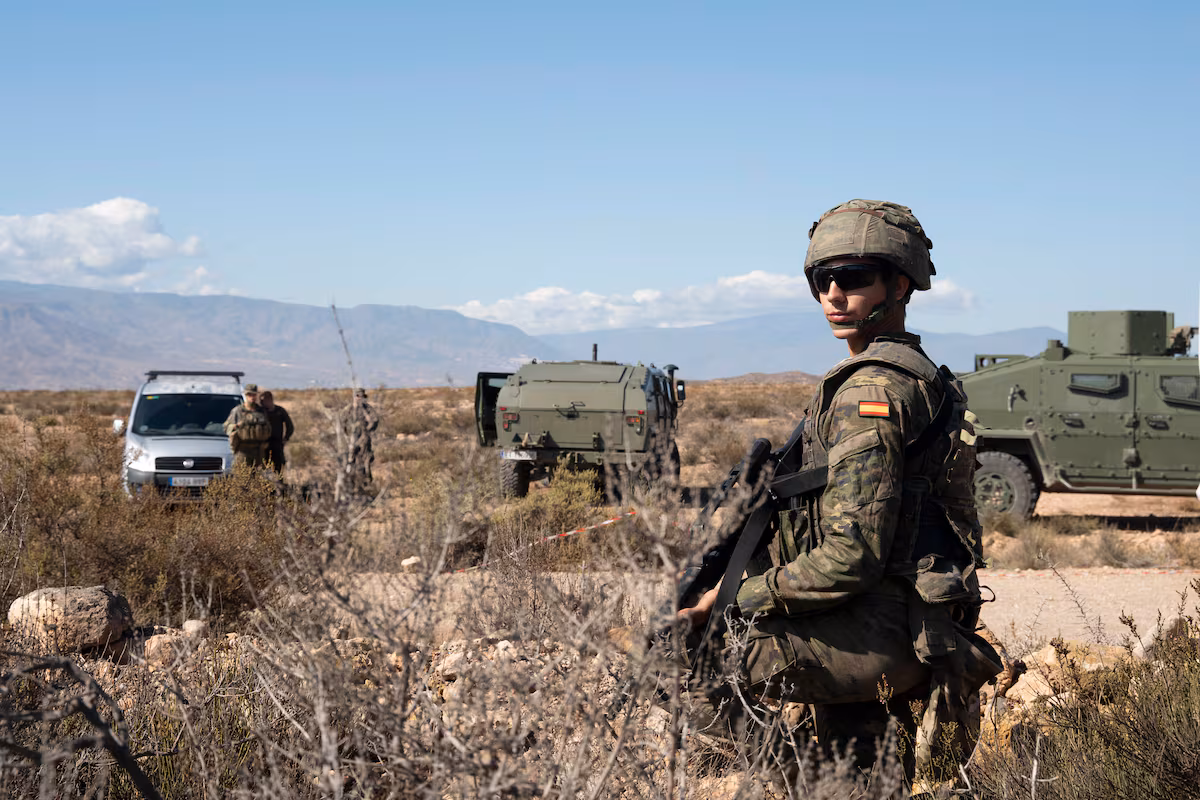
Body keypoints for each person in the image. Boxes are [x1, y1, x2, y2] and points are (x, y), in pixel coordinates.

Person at [678, 200, 1001, 784]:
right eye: (819, 280)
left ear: (899, 284)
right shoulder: (922, 376)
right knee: (860, 775)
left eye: (852, 277)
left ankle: (792, 777)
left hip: (883, 627)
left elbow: (852, 554)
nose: (833, 293)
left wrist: (731, 601)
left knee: (672, 657)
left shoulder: (869, 392)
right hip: (911, 619)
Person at [340, 388, 380, 495]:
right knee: (350, 462)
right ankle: (350, 486)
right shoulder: (348, 409)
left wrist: (367, 430)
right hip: (351, 440)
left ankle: (367, 485)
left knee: (366, 461)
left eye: (362, 396)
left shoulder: (367, 409)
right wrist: (347, 435)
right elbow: (342, 422)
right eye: (358, 396)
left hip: (364, 440)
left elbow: (375, 420)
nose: (360, 398)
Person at [222, 383, 272, 469]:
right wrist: (235, 427)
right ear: (245, 395)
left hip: (259, 451)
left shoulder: (261, 411)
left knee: (258, 477)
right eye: (249, 395)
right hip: (242, 450)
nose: (252, 397)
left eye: (254, 395)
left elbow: (269, 429)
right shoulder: (238, 411)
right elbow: (226, 427)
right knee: (242, 477)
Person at [259, 390, 295, 473]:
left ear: (269, 400)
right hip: (263, 444)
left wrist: (286, 438)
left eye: (263, 401)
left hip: (277, 443)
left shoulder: (280, 411)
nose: (261, 403)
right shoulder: (261, 412)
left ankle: (279, 483)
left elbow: (290, 426)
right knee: (263, 466)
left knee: (278, 467)